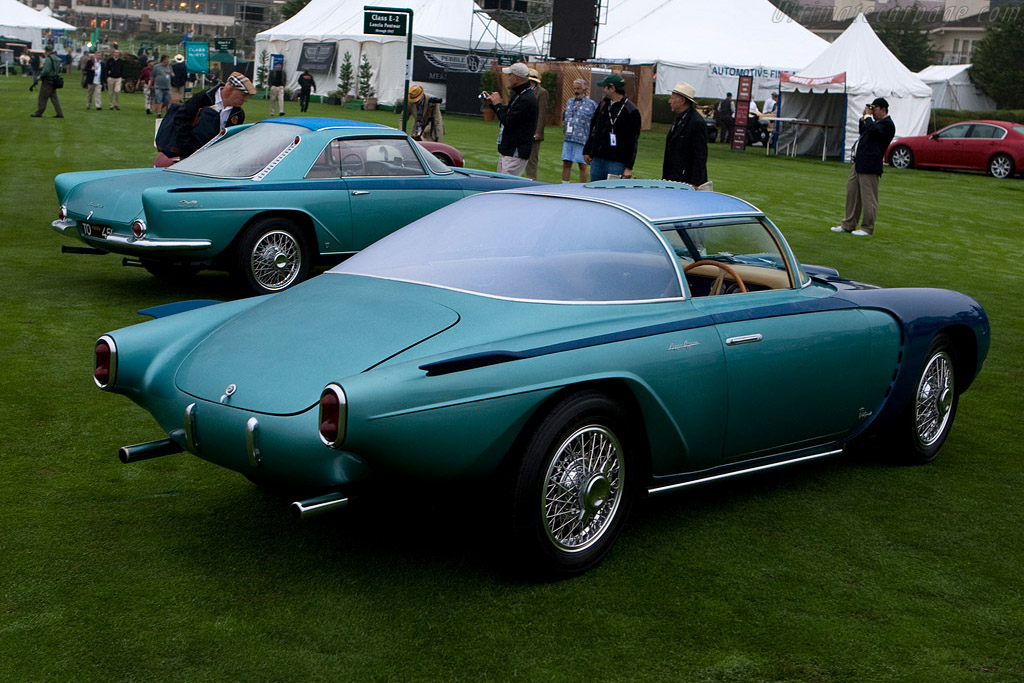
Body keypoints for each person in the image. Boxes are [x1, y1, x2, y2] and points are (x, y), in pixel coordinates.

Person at [830, 97, 896, 237]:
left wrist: (868, 117)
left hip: (871, 165)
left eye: (875, 109)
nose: (873, 112)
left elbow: (873, 131)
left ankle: (867, 227)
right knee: (852, 195)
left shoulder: (887, 124)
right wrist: (863, 118)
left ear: (883, 109)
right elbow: (864, 131)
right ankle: (848, 224)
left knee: (868, 198)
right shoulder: (874, 123)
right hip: (859, 162)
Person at [166, 71, 256, 159]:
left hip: (218, 158)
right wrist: (191, 148)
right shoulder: (203, 98)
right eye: (243, 95)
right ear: (230, 89)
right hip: (192, 156)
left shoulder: (238, 113)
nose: (245, 100)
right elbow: (180, 120)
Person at [583, 73, 641, 181]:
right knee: (594, 192)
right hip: (598, 159)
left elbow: (632, 141)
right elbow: (593, 128)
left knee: (611, 194)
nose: (602, 90)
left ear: (612, 88)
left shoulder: (631, 111)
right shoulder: (603, 105)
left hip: (616, 162)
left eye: (604, 87)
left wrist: (629, 167)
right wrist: (587, 149)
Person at [483, 62, 538, 177]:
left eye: (510, 75)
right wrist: (493, 104)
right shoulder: (519, 95)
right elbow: (508, 113)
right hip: (509, 149)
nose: (508, 78)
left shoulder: (526, 99)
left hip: (515, 151)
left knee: (506, 184)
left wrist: (497, 105)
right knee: (499, 182)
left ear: (516, 77)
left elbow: (509, 121)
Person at [662, 81, 708, 187]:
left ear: (682, 100)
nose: (669, 101)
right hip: (673, 178)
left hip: (687, 181)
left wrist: (695, 182)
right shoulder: (679, 118)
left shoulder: (696, 122)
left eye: (672, 98)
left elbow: (700, 155)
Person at [561, 78, 597, 183]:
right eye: (575, 88)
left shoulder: (591, 104)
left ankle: (582, 188)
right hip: (568, 138)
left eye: (578, 89)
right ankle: (564, 185)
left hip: (582, 139)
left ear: (584, 90)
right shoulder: (569, 102)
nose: (576, 91)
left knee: (582, 165)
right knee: (566, 163)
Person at [525, 68, 548, 181]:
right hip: (523, 129)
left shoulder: (542, 93)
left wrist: (538, 132)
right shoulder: (524, 91)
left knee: (532, 158)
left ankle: (531, 179)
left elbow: (542, 113)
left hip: (534, 131)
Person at [31, 45, 64, 118]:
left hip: (48, 80)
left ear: (46, 51)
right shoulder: (57, 59)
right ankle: (59, 113)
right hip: (54, 80)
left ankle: (39, 112)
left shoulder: (49, 59)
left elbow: (46, 70)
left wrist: (40, 76)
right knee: (54, 97)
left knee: (42, 96)